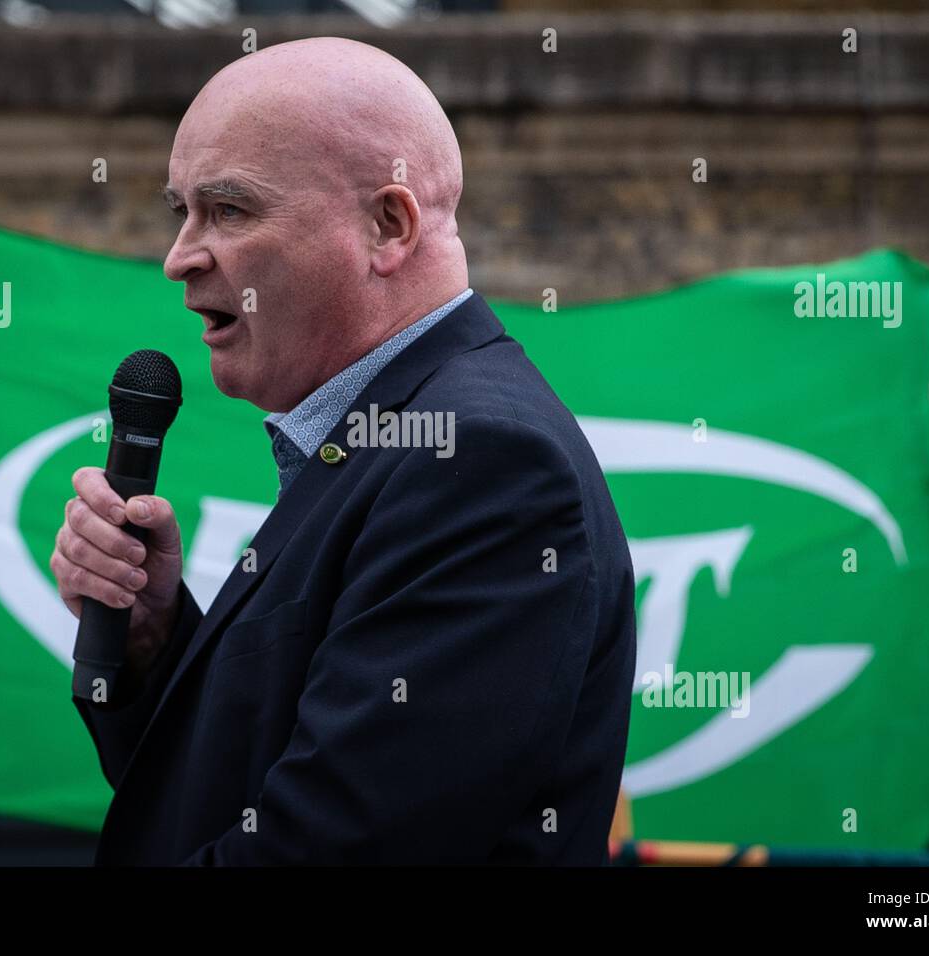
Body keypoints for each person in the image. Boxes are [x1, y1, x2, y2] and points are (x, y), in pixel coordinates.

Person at [50, 36, 637, 865]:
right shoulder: (393, 438)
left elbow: (334, 847)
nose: (179, 256)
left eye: (228, 210)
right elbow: (242, 790)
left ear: (387, 226)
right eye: (177, 210)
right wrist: (153, 643)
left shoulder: (481, 462)